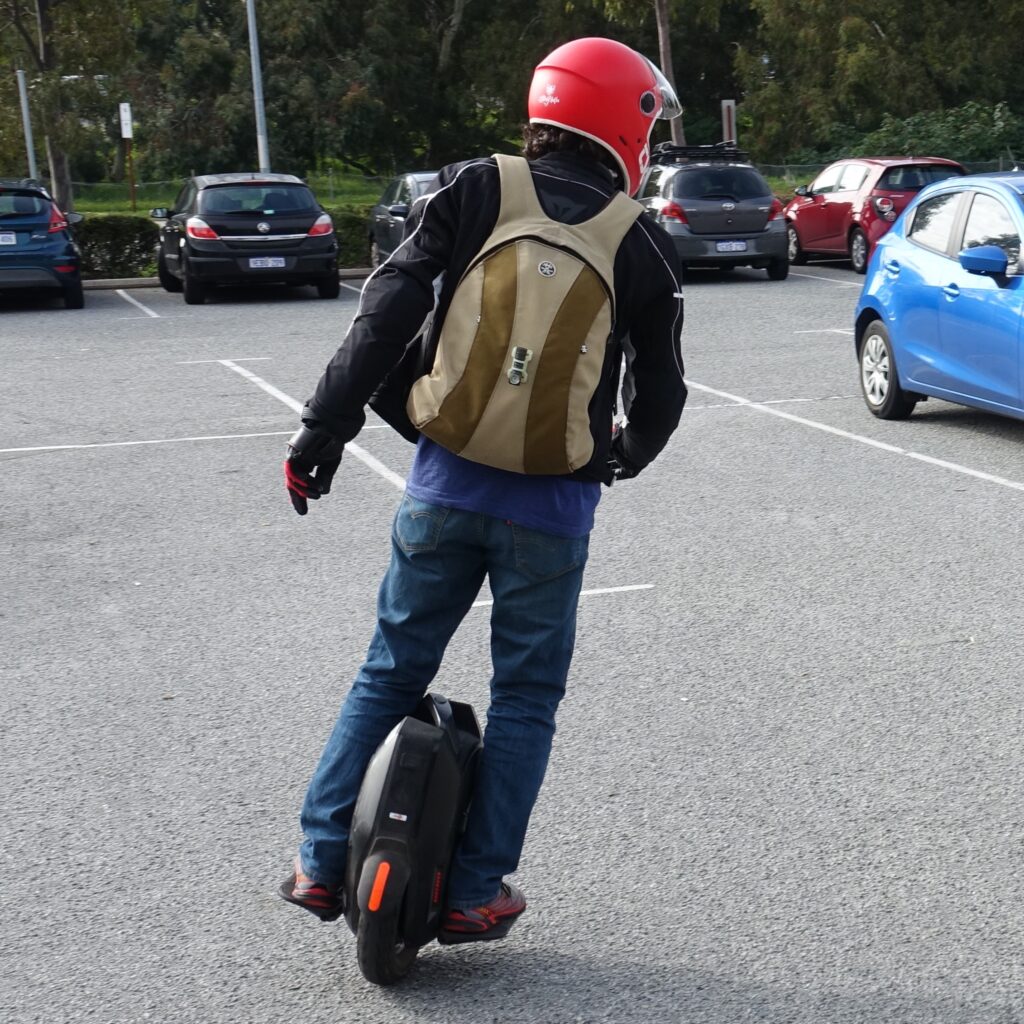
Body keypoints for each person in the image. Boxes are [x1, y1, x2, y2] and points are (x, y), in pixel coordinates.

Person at [279, 36, 688, 944]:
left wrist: (322, 433)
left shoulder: (471, 189)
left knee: (390, 667)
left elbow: (385, 316)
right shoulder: (639, 242)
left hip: (443, 488)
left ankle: (317, 858)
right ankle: (475, 888)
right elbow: (661, 393)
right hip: (552, 511)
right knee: (527, 698)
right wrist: (624, 454)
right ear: (623, 122)